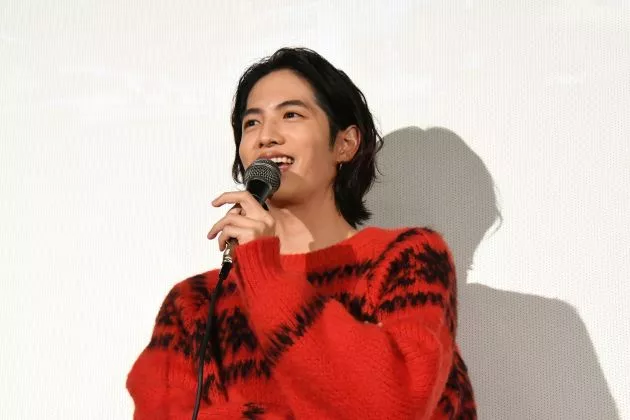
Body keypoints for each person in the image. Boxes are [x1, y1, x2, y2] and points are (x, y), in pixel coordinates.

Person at [126, 47, 477, 419]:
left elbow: (395, 403)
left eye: (291, 115)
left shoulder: (406, 258)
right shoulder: (193, 303)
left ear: (345, 144)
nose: (266, 136)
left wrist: (264, 273)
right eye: (251, 123)